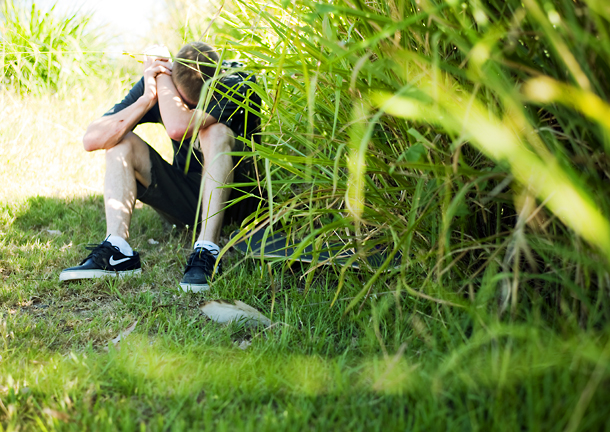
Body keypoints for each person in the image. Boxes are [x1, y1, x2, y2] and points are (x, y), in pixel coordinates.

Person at [59, 42, 259, 292]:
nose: (186, 105)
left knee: (215, 133)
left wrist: (163, 80)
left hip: (239, 201)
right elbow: (91, 139)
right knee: (121, 143)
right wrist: (147, 99)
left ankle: (207, 249)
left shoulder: (236, 82)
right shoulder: (163, 84)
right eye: (183, 102)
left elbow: (178, 127)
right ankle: (117, 249)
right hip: (186, 201)